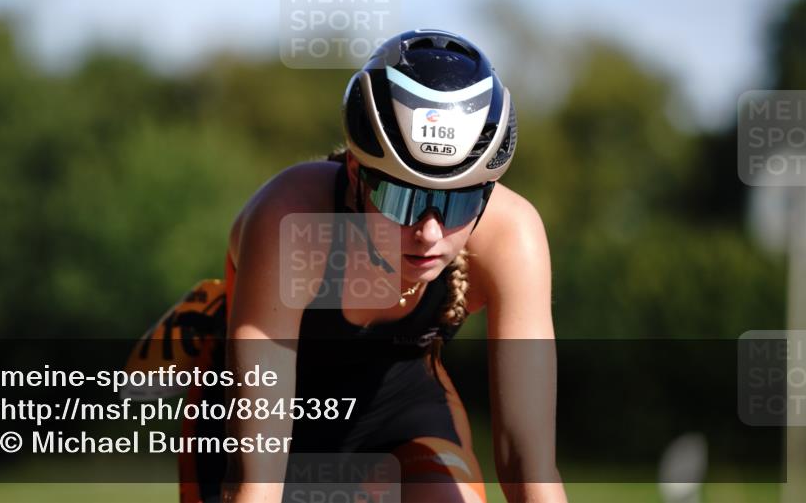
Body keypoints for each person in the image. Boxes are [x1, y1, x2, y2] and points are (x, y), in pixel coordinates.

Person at [171, 30, 566, 503]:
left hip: (398, 415)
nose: (429, 233)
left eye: (458, 205)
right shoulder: (291, 218)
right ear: (357, 176)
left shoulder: (512, 234)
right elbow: (257, 487)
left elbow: (530, 469)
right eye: (402, 199)